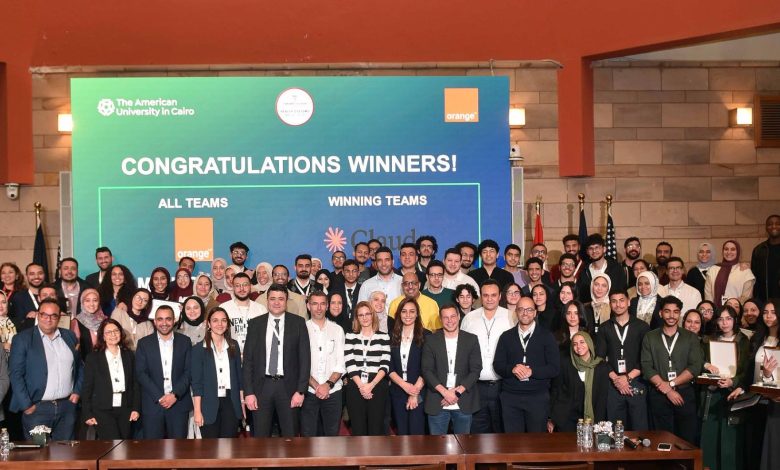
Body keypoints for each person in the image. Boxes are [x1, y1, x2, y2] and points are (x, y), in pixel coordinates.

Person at [8, 298, 82, 440]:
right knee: (38, 452)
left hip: (66, 407)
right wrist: (27, 405)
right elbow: (16, 375)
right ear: (38, 315)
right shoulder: (22, 339)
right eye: (44, 315)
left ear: (59, 317)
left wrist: (77, 392)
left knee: (66, 452)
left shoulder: (69, 336)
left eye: (53, 315)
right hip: (37, 409)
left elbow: (80, 367)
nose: (48, 319)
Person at [243, 284, 310, 437]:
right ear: (267, 301)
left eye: (281, 299)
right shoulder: (255, 324)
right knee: (261, 438)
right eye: (272, 299)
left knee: (290, 437)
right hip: (261, 388)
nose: (276, 302)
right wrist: (249, 392)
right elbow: (248, 361)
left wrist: (300, 391)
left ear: (286, 301)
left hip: (289, 389)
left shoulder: (298, 323)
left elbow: (305, 360)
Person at [641, 295, 703, 445]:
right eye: (667, 311)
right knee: (661, 441)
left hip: (684, 393)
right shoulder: (650, 337)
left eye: (676, 312)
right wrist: (667, 389)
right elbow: (646, 366)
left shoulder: (690, 338)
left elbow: (695, 367)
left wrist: (671, 384)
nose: (671, 315)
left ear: (680, 314)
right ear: (660, 313)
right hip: (658, 393)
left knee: (686, 441)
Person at [493, 296, 560, 433]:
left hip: (537, 397)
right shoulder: (506, 337)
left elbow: (554, 368)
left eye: (529, 309)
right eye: (521, 309)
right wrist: (512, 369)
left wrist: (532, 371)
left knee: (537, 442)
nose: (525, 313)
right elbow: (498, 365)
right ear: (516, 312)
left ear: (535, 312)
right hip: (511, 398)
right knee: (512, 442)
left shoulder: (547, 336)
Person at [700, 305, 751, 470]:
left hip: (733, 394)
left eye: (728, 319)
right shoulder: (708, 340)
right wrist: (706, 365)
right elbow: (698, 361)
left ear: (735, 320)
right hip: (712, 393)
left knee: (730, 442)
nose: (725, 323)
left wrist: (733, 382)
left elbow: (747, 371)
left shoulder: (744, 341)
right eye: (721, 319)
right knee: (711, 440)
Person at [461, 280, 513, 434]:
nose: (490, 299)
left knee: (502, 431)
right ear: (480, 297)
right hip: (476, 387)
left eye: (493, 295)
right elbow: (461, 351)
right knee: (478, 433)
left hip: (503, 386)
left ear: (500, 296)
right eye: (486, 295)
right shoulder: (469, 318)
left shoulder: (511, 317)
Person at [422, 304, 481, 434]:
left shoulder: (471, 339)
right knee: (437, 445)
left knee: (463, 444)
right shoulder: (431, 340)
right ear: (441, 319)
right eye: (446, 317)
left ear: (459, 317)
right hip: (437, 401)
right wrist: (445, 392)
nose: (450, 321)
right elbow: (427, 370)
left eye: (453, 316)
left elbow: (476, 370)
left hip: (463, 401)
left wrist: (457, 392)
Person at [135, 305, 193, 439]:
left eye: (168, 319)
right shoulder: (144, 343)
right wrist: (159, 397)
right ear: (155, 321)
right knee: (153, 448)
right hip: (153, 404)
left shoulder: (185, 341)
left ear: (174, 320)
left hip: (178, 404)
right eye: (160, 319)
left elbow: (189, 371)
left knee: (179, 447)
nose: (164, 323)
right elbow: (141, 373)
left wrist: (175, 394)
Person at [596, 290, 650, 431]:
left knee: (639, 428)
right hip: (613, 384)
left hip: (636, 382)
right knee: (615, 430)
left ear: (628, 302)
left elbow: (646, 358)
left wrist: (627, 378)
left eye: (621, 300)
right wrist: (617, 380)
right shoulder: (604, 328)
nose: (618, 304)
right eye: (614, 301)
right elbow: (600, 358)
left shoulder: (642, 327)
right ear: (610, 304)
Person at [81, 318, 140, 439]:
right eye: (108, 332)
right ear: (103, 336)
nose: (113, 334)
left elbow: (135, 384)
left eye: (116, 331)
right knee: (113, 443)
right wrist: (87, 413)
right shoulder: (93, 358)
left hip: (125, 408)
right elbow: (87, 387)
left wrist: (136, 408)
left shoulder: (129, 355)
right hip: (102, 409)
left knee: (124, 444)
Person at [191, 307, 243, 438]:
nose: (220, 324)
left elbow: (239, 379)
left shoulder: (234, 346)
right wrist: (197, 411)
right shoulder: (198, 349)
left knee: (229, 446)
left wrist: (242, 405)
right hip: (208, 403)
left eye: (223, 320)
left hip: (231, 403)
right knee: (211, 447)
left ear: (228, 324)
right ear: (208, 324)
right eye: (215, 320)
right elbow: (197, 384)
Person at [301, 291, 345, 437]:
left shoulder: (337, 330)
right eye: (315, 304)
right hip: (308, 392)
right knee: (308, 437)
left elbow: (341, 362)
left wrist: (328, 385)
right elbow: (299, 364)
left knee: (332, 437)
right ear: (308, 306)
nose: (319, 308)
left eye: (322, 304)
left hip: (333, 392)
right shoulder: (301, 329)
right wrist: (316, 386)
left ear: (327, 306)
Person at [344, 301, 391, 436]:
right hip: (356, 384)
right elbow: (350, 363)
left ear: (372, 315)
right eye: (361, 315)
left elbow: (385, 364)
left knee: (376, 429)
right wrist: (361, 386)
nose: (364, 318)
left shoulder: (383, 336)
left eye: (367, 314)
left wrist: (371, 385)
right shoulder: (350, 336)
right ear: (357, 318)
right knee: (358, 429)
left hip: (377, 384)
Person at [549, 331, 609, 432]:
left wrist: (599, 424)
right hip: (566, 418)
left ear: (589, 343)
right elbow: (556, 390)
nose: (578, 346)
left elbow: (602, 398)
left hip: (591, 418)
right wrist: (551, 418)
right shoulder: (565, 364)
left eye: (582, 342)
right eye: (575, 344)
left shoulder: (601, 366)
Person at [388, 297, 427, 435]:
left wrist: (414, 392)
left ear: (417, 314)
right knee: (402, 435)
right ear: (399, 314)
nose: (408, 315)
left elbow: (427, 367)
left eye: (412, 311)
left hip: (419, 391)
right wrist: (404, 386)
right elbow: (389, 366)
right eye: (404, 311)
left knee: (417, 434)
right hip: (398, 391)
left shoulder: (426, 335)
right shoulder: (391, 335)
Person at [221, 273, 267, 353]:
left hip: (254, 354)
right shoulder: (223, 308)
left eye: (245, 285)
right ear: (233, 288)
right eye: (237, 285)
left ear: (250, 286)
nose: (241, 288)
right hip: (230, 354)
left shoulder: (261, 309)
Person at [576, 233, 625, 303]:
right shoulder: (584, 271)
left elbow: (622, 292)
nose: (594, 251)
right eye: (591, 248)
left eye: (597, 247)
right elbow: (581, 296)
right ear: (587, 252)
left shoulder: (616, 269)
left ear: (604, 249)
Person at [705, 240, 756, 307]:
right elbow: (708, 295)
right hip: (716, 311)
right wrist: (712, 309)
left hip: (736, 311)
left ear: (738, 252)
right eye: (726, 249)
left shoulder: (745, 271)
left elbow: (746, 297)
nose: (729, 252)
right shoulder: (713, 270)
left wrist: (731, 309)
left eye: (733, 249)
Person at [70, 288, 107, 359]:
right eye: (87, 300)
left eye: (95, 300)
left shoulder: (106, 321)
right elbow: (75, 349)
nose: (91, 304)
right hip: (86, 363)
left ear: (99, 302)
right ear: (82, 302)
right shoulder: (75, 322)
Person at [751, 214, 780, 303]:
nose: (773, 226)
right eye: (770, 224)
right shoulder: (759, 250)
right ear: (766, 228)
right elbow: (754, 277)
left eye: (777, 224)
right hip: (764, 301)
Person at [9, 263, 46, 330]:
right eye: (32, 274)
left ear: (44, 275)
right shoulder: (18, 297)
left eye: (40, 273)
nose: (36, 276)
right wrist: (26, 319)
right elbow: (17, 323)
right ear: (26, 276)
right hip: (28, 334)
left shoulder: (51, 294)